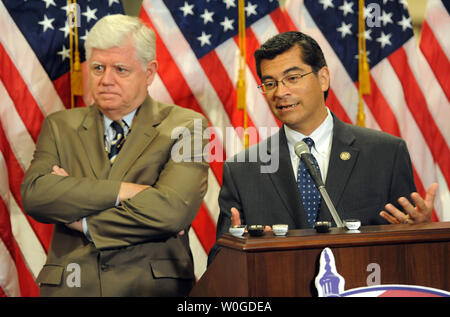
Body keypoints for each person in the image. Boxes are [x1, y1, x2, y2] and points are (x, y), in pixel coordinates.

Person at [208, 31, 437, 266]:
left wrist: (421, 232)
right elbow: (217, 267)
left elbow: (411, 256)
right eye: (269, 83)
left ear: (323, 78)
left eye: (293, 78)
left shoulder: (385, 154)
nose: (280, 92)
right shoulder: (243, 170)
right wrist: (239, 249)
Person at [21, 14, 208, 296]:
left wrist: (82, 221)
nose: (106, 80)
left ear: (149, 73)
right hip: (72, 288)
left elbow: (172, 211)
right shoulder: (60, 126)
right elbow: (36, 195)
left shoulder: (187, 126)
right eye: (98, 68)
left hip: (150, 288)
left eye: (120, 69)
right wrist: (125, 191)